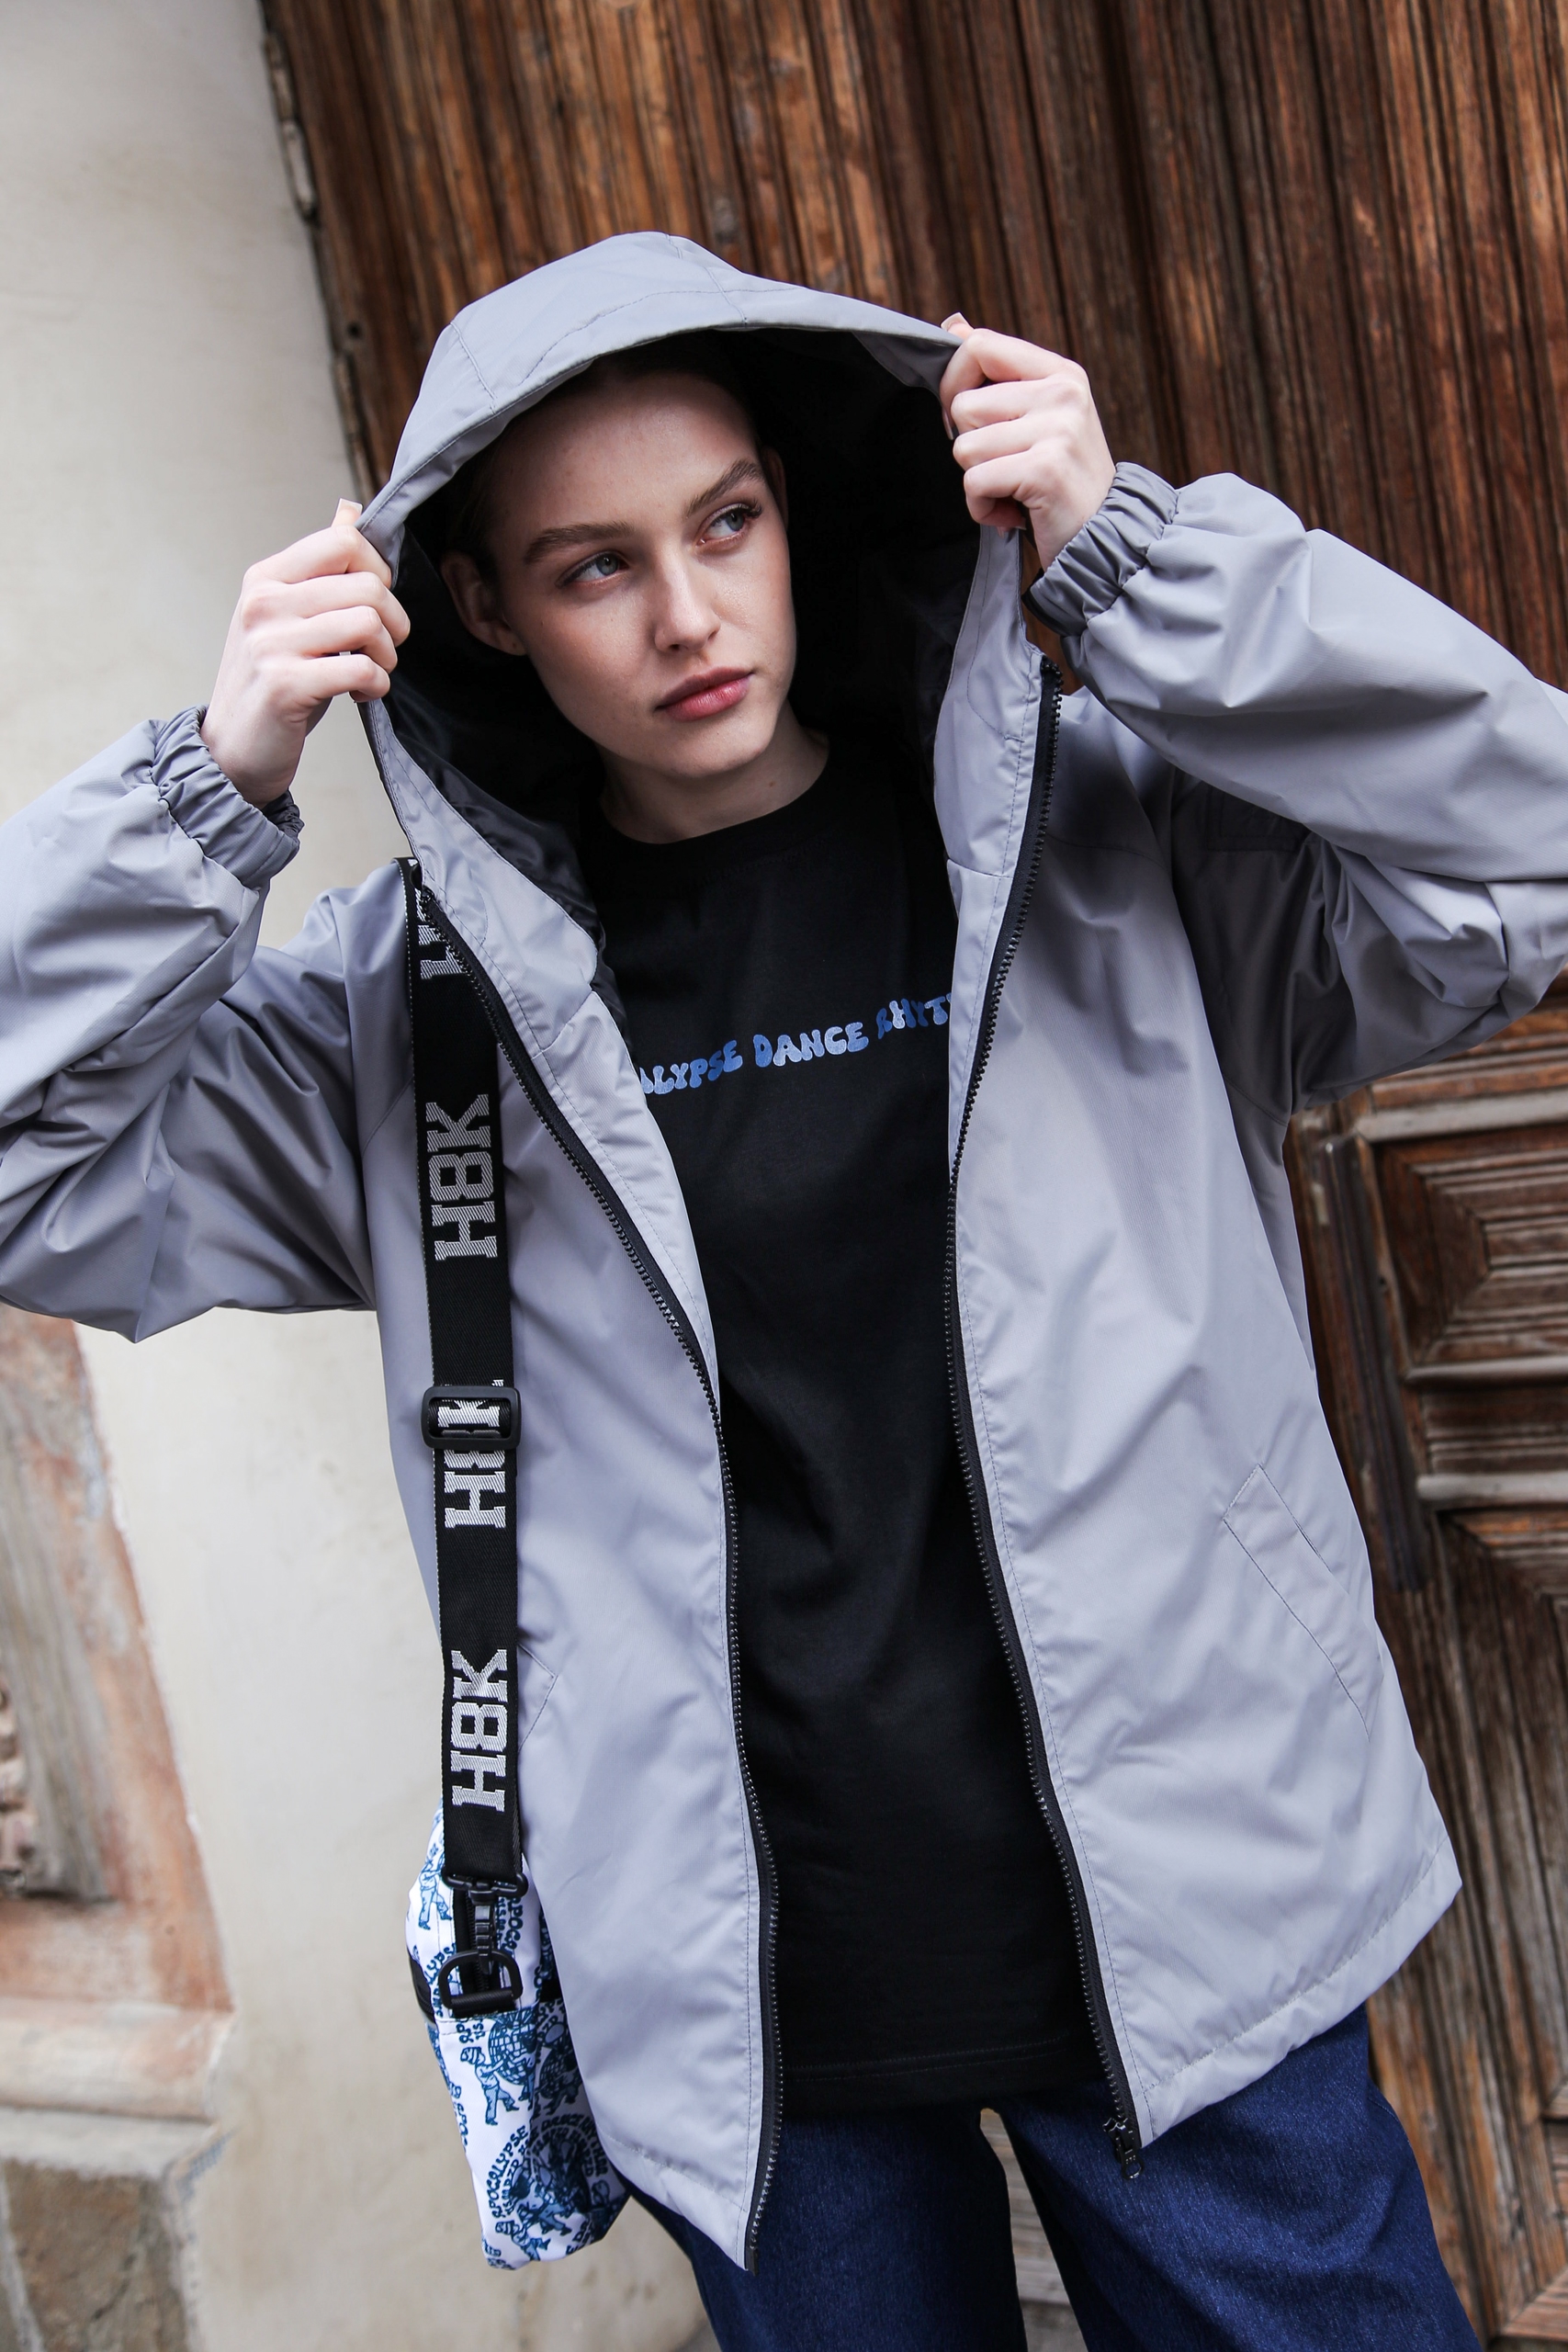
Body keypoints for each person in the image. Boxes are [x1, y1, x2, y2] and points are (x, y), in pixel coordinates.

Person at [2, 230, 1560, 2349]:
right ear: (480, 604)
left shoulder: (1107, 855)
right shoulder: (408, 1020)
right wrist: (206, 789)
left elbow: (1518, 846)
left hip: (1194, 1912)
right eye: (594, 565)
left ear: (793, 513)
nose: (685, 614)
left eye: (722, 522)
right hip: (748, 2005)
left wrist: (1140, 564)